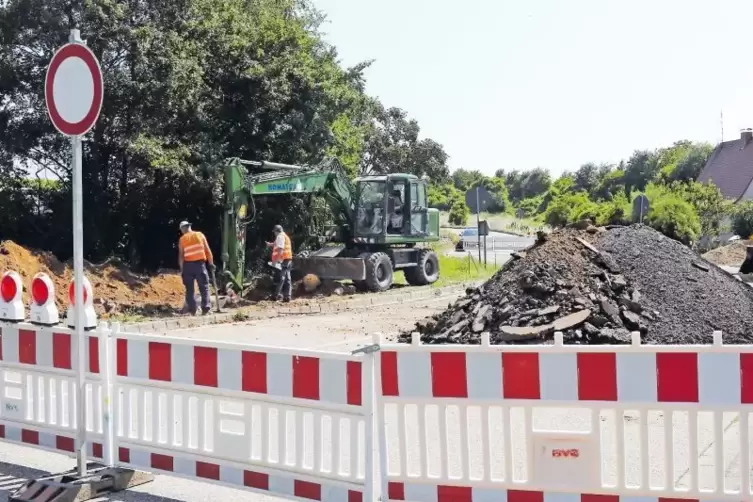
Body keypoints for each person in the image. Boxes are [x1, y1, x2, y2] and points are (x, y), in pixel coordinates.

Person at [177, 221, 214, 315]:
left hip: (188, 266)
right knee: (204, 287)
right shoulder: (200, 235)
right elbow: (207, 250)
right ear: (189, 226)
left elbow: (181, 255)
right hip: (200, 265)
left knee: (189, 289)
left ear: (183, 229)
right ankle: (206, 308)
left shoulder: (182, 239)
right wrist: (211, 263)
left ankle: (192, 310)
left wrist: (182, 269)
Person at [266, 224, 293, 302]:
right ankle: (287, 297)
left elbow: (280, 249)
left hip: (283, 260)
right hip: (288, 259)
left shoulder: (280, 236)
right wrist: (270, 244)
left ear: (276, 231)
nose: (274, 233)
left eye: (274, 232)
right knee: (287, 278)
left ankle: (275, 296)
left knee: (281, 278)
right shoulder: (284, 235)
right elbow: (276, 244)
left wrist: (275, 261)